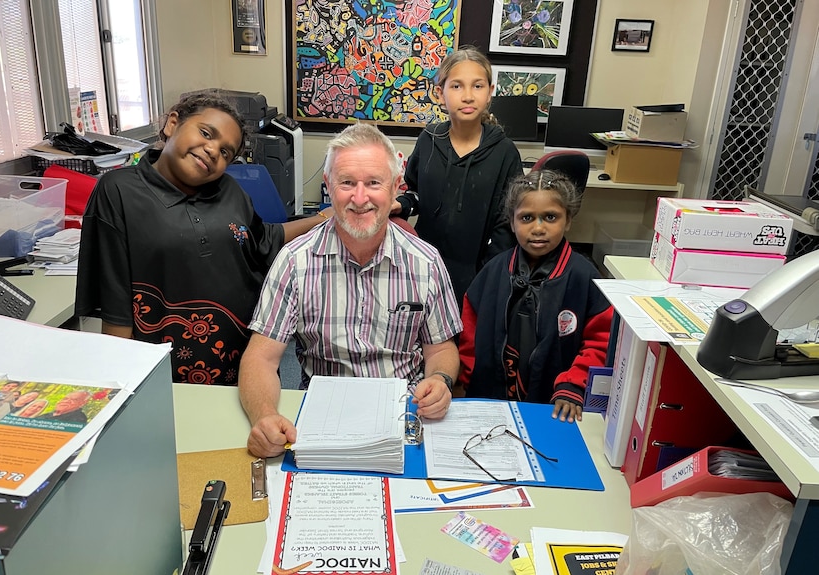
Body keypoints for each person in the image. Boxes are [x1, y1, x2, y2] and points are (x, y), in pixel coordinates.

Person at [238, 122, 463, 458]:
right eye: (346, 183)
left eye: (373, 183)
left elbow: (440, 350)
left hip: (405, 411)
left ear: (395, 187)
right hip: (323, 413)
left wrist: (441, 380)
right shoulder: (294, 261)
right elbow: (260, 358)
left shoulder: (425, 262)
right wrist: (265, 416)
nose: (360, 198)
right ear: (328, 185)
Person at [75, 92, 332, 385]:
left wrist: (324, 218)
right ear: (173, 124)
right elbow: (115, 302)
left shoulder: (229, 190)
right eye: (206, 133)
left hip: (241, 365)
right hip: (167, 373)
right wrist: (125, 387)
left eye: (225, 152)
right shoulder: (119, 190)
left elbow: (264, 239)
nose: (212, 150)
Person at [458, 171, 613, 424]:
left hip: (557, 407)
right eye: (527, 218)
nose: (538, 228)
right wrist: (468, 379)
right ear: (511, 222)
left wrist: (574, 385)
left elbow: (601, 342)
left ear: (568, 220)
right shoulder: (493, 272)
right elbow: (469, 334)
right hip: (491, 401)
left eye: (550, 217)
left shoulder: (584, 278)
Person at [392, 46, 523, 304]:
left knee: (463, 342)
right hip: (423, 266)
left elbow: (507, 223)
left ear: (490, 93)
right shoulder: (428, 140)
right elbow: (416, 193)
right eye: (456, 86)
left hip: (476, 274)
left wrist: (486, 273)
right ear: (440, 94)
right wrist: (401, 205)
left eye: (477, 86)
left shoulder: (505, 152)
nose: (467, 96)